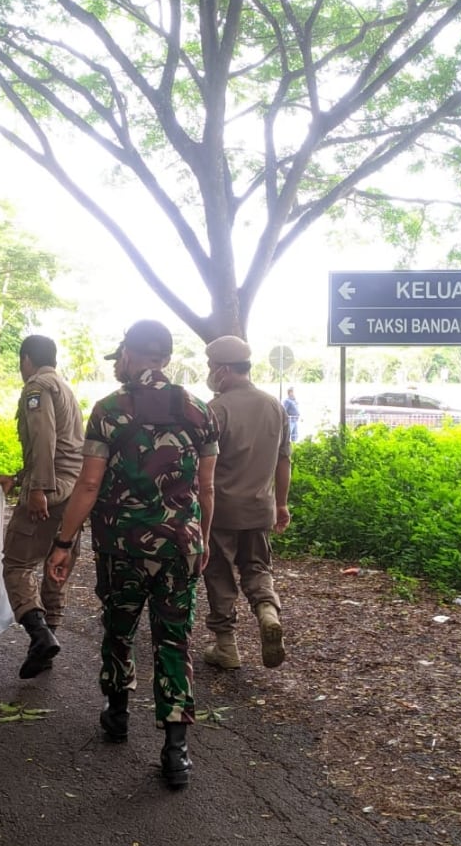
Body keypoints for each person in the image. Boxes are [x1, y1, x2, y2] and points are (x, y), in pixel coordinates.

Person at [46, 319, 217, 789]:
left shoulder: (110, 410)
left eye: (119, 355)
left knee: (120, 629)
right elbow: (206, 486)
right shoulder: (200, 411)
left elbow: (89, 484)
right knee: (173, 639)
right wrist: (202, 538)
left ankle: (117, 714)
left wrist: (63, 542)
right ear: (163, 357)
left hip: (122, 547)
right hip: (182, 545)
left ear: (129, 353)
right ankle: (176, 751)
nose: (118, 363)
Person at [200, 336, 291, 671]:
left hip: (222, 512)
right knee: (257, 569)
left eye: (211, 367)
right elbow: (284, 462)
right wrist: (281, 505)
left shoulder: (215, 410)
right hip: (260, 509)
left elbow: (202, 467)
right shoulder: (274, 406)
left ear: (223, 370)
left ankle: (226, 646)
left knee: (219, 575)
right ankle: (267, 611)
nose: (210, 373)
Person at [1, 332, 87, 678]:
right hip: (73, 492)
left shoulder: (36, 387)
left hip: (48, 491)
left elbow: (43, 438)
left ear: (26, 359)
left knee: (17, 565)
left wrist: (37, 487)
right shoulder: (65, 388)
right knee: (56, 565)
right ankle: (48, 640)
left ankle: (38, 634)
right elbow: (65, 446)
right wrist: (19, 477)